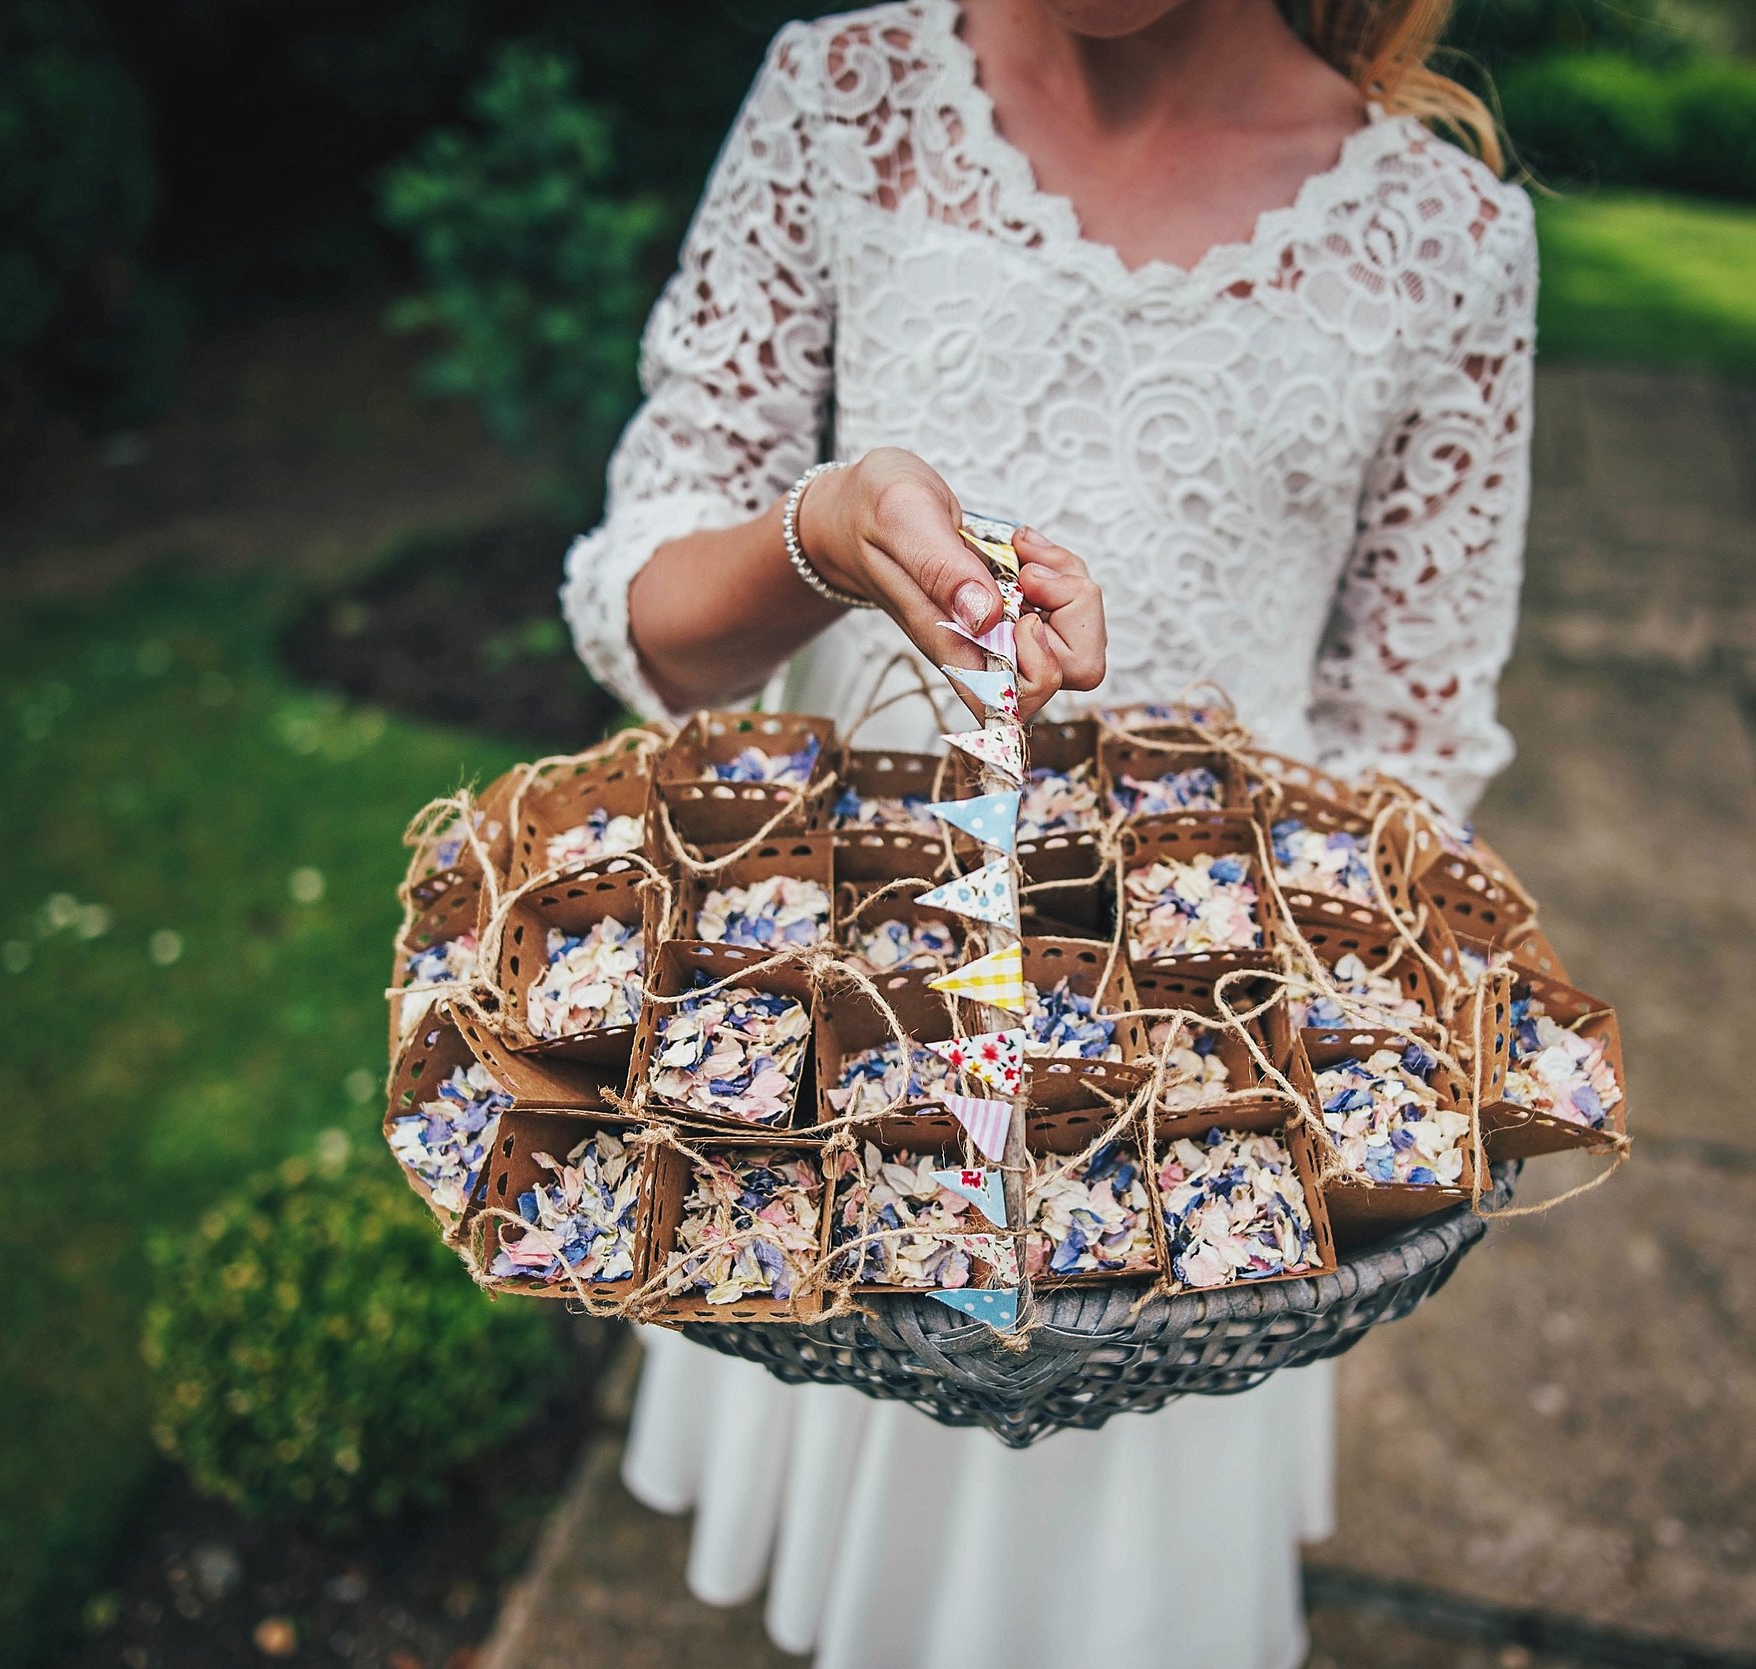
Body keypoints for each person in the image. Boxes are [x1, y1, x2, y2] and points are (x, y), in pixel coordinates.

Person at [560, 1, 1533, 1663]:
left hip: (1175, 1132)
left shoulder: (1448, 242)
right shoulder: (846, 95)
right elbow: (647, 619)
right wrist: (827, 529)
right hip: (841, 1058)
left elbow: (1408, 754)